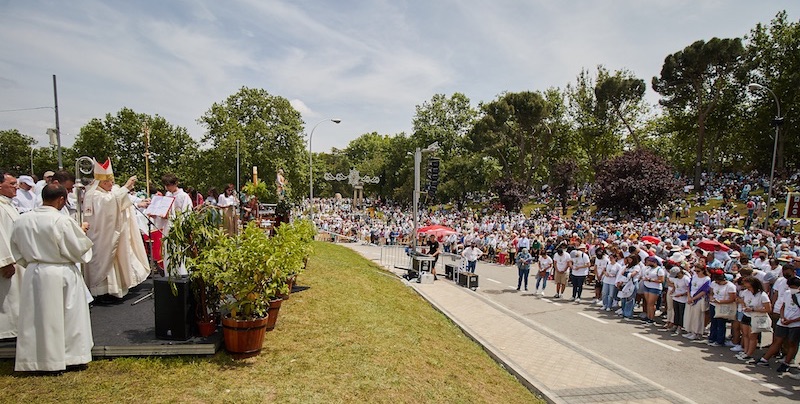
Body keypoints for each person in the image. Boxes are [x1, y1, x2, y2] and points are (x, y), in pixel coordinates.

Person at [10, 183, 94, 372]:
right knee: (68, 317)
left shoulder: (23, 220)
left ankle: (37, 360)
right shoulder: (62, 221)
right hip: (60, 271)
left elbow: (15, 248)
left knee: (37, 319)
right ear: (62, 199)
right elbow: (78, 249)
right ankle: (71, 358)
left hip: (34, 272)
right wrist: (81, 233)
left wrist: (31, 263)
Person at [82, 158, 150, 299]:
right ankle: (101, 292)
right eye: (109, 182)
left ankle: (115, 288)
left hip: (108, 233)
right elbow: (110, 203)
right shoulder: (93, 194)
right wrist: (126, 187)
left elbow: (118, 202)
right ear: (101, 182)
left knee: (113, 259)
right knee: (103, 261)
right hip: (100, 236)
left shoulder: (106, 193)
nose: (112, 184)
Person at [153, 173, 193, 275]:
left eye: (169, 185)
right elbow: (163, 210)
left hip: (177, 229)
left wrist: (172, 218)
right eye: (165, 185)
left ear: (175, 183)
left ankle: (182, 274)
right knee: (168, 253)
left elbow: (187, 214)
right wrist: (157, 215)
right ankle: (169, 275)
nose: (167, 188)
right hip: (167, 227)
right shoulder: (167, 195)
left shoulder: (184, 196)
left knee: (178, 252)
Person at [0, 173, 22, 339]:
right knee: (7, 297)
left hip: (16, 258)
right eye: (12, 184)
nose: (16, 186)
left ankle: (15, 327)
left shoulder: (7, 204)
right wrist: (5, 261)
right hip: (7, 261)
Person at [735, 276, 772, 362]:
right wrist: (742, 303)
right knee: (745, 334)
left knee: (752, 336)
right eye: (746, 287)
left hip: (756, 317)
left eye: (749, 287)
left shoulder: (762, 295)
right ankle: (745, 351)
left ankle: (749, 354)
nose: (747, 289)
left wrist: (753, 309)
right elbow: (743, 302)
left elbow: (768, 309)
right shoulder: (745, 292)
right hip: (746, 315)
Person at [641, 256, 665, 324]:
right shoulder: (648, 268)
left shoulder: (659, 269)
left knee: (651, 303)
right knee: (648, 302)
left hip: (654, 287)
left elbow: (661, 280)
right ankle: (648, 316)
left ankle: (652, 318)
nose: (647, 263)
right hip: (647, 286)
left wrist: (650, 280)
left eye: (649, 261)